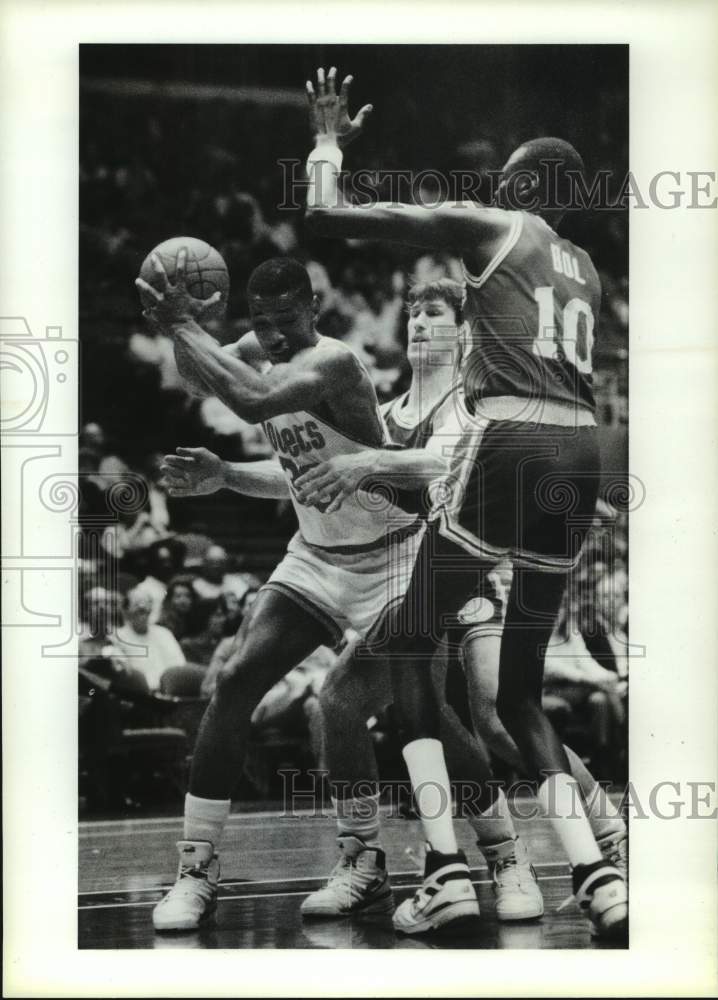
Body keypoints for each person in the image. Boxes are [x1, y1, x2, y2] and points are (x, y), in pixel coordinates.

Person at [301, 66, 627, 938]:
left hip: (514, 438)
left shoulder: (496, 224)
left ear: (520, 184)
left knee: (409, 640)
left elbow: (332, 218)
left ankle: (445, 867)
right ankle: (599, 877)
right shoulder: (587, 267)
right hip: (581, 446)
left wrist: (329, 144)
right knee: (520, 692)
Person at [137, 255, 485, 934]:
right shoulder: (251, 348)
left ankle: (503, 856)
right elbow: (196, 374)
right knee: (234, 679)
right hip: (317, 557)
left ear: (313, 311)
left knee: (425, 717)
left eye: (286, 321)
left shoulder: (334, 363)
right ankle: (204, 868)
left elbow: (253, 401)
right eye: (261, 324)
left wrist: (183, 322)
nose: (273, 337)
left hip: (396, 555)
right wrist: (183, 336)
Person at [115, 587, 186, 692]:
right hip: (139, 695)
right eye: (136, 603)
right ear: (126, 610)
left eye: (146, 602)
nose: (142, 606)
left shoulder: (164, 633)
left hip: (170, 692)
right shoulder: (117, 637)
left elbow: (180, 667)